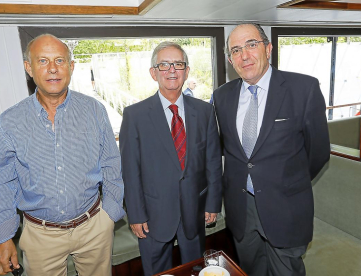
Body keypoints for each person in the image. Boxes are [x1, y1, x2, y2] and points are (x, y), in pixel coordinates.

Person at [0, 34, 125, 276]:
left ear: (71, 67)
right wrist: (3, 237)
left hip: (94, 227)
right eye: (42, 61)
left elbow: (111, 163)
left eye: (60, 60)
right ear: (28, 68)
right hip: (41, 235)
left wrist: (110, 213)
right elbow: (3, 182)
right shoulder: (8, 123)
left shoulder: (94, 110)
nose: (52, 69)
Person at [213, 23, 330, 276]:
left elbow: (318, 153)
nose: (244, 55)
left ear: (268, 48)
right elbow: (228, 151)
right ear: (230, 59)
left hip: (286, 208)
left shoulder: (304, 89)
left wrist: (286, 182)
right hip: (242, 210)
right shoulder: (221, 96)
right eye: (235, 50)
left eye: (251, 45)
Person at [119, 41, 222, 276]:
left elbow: (213, 162)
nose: (172, 70)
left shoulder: (205, 111)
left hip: (194, 211)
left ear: (187, 71)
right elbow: (130, 171)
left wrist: (213, 203)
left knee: (195, 270)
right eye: (164, 65)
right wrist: (136, 214)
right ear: (153, 73)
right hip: (152, 215)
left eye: (178, 64)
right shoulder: (135, 115)